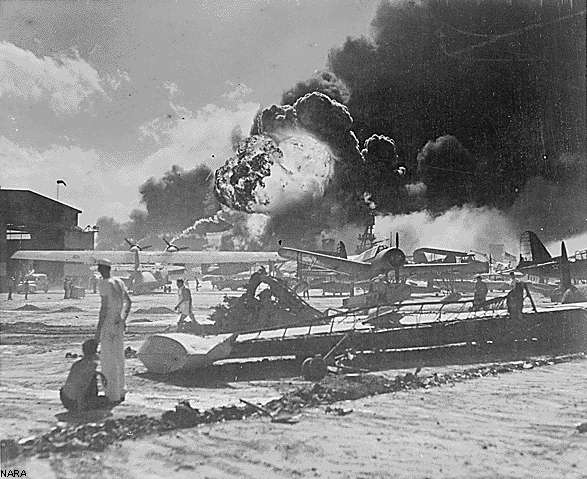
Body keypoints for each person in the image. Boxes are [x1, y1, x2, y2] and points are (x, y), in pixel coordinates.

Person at [96, 258, 131, 404]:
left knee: (108, 359)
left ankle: (112, 393)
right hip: (118, 323)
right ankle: (121, 391)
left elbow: (104, 308)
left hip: (109, 322)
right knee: (119, 357)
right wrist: (123, 318)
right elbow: (128, 302)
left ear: (102, 269)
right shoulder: (119, 282)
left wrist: (98, 329)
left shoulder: (104, 284)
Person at [60, 339, 108, 412]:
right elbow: (81, 387)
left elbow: (77, 378)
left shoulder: (77, 363)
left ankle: (86, 401)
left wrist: (100, 374)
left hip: (65, 398)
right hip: (75, 402)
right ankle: (87, 401)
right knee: (105, 401)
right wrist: (80, 408)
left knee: (92, 376)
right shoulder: (91, 366)